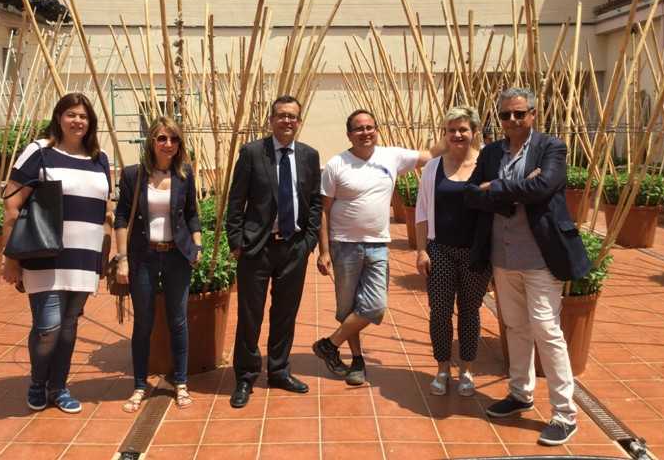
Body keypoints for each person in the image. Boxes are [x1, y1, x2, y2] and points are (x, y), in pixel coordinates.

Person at [464, 87, 590, 446]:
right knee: (515, 327)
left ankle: (565, 414)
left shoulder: (551, 147)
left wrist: (498, 188)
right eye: (506, 115)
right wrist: (516, 187)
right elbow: (473, 195)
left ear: (533, 114)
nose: (513, 121)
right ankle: (520, 393)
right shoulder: (490, 152)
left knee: (546, 330)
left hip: (541, 257)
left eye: (520, 113)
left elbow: (546, 186)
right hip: (503, 257)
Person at [312, 109, 441, 385]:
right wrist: (323, 251)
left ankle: (329, 344)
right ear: (349, 134)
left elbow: (430, 154)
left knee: (375, 306)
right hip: (343, 246)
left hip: (378, 246)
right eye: (359, 129)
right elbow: (323, 211)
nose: (365, 132)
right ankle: (357, 361)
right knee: (348, 308)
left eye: (370, 127)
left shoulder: (391, 156)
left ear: (376, 129)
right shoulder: (336, 164)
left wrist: (460, 129)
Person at [2, 92, 111, 414]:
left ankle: (59, 387)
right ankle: (38, 382)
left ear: (90, 123)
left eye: (84, 116)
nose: (78, 121)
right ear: (59, 117)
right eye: (71, 114)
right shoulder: (40, 152)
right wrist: (10, 258)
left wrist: (105, 253)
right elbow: (11, 203)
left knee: (69, 326)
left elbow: (104, 207)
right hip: (45, 254)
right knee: (48, 328)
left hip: (84, 256)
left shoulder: (99, 158)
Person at [225, 95, 322, 408]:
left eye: (292, 116)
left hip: (293, 247)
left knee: (285, 314)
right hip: (257, 248)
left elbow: (315, 201)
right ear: (271, 120)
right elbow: (236, 200)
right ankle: (245, 376)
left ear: (299, 120)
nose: (287, 121)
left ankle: (279, 370)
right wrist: (237, 243)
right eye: (281, 116)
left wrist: (308, 242)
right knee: (249, 316)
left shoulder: (309, 155)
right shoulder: (253, 153)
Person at [113, 116, 202, 412]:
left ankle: (180, 383)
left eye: (174, 139)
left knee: (178, 321)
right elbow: (122, 217)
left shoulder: (184, 174)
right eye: (162, 138)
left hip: (177, 255)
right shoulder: (133, 175)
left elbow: (191, 214)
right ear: (151, 141)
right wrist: (123, 258)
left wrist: (197, 244)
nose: (169, 144)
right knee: (144, 322)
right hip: (144, 257)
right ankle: (139, 385)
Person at [415, 106, 491, 397]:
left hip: (476, 253)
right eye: (451, 130)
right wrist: (422, 250)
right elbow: (422, 212)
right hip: (440, 250)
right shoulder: (434, 167)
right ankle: (443, 368)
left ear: (473, 132)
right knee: (440, 312)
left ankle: (467, 370)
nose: (457, 135)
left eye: (463, 130)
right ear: (445, 134)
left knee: (470, 312)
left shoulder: (485, 165)